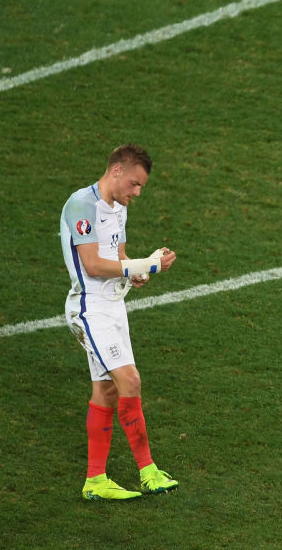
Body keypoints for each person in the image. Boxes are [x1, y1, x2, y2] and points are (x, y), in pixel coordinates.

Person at [59, 143, 179, 500]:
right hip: (89, 308)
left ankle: (95, 481)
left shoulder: (118, 208)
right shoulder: (81, 205)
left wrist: (136, 273)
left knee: (107, 389)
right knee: (130, 380)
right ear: (116, 171)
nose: (137, 192)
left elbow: (119, 257)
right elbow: (94, 265)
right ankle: (149, 472)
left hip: (114, 307)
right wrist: (145, 264)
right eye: (134, 184)